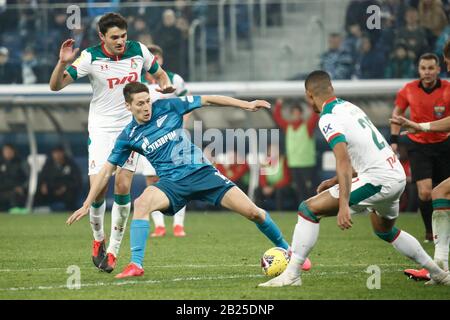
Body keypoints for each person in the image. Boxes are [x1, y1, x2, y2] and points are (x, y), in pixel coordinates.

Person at [66, 82, 312, 279]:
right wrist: (88, 203)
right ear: (128, 106)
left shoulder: (168, 107)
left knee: (254, 212)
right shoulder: (127, 136)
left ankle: (288, 250)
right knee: (141, 203)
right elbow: (107, 170)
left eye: (148, 101)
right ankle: (136, 264)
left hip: (203, 174)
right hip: (172, 183)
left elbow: (208, 99)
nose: (146, 107)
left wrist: (245, 105)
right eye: (140, 104)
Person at [258, 70, 450, 287]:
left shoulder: (328, 117)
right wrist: (335, 181)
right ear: (332, 88)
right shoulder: (350, 107)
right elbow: (366, 153)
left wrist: (343, 204)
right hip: (393, 173)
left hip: (379, 179)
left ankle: (291, 275)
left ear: (309, 95)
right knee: (385, 230)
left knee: (307, 209)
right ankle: (439, 274)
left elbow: (343, 161)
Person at [49, 12, 175, 273]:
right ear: (102, 37)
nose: (120, 41)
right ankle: (98, 240)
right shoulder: (91, 57)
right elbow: (56, 86)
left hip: (130, 127)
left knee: (123, 184)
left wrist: (165, 85)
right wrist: (62, 63)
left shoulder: (138, 50)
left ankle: (114, 251)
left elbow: (160, 74)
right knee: (98, 187)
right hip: (101, 127)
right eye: (114, 37)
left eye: (123, 36)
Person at [390, 40, 450, 281]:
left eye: (443, 64)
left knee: (440, 192)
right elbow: (396, 114)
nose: (445, 66)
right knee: (432, 193)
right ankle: (439, 263)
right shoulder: (408, 89)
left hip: (444, 145)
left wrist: (420, 125)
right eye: (423, 67)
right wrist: (395, 139)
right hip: (420, 146)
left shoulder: (447, 88)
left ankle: (439, 265)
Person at [140, 44, 190, 238]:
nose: (154, 61)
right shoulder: (138, 82)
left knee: (178, 179)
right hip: (149, 139)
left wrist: (181, 129)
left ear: (161, 60)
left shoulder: (175, 79)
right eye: (150, 58)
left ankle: (178, 225)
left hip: (173, 138)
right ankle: (159, 226)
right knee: (152, 181)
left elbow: (187, 104)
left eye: (157, 57)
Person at [273, 99, 319, 203]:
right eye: (294, 113)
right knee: (299, 189)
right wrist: (279, 104)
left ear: (301, 114)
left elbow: (315, 116)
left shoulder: (307, 126)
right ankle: (302, 209)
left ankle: (314, 208)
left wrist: (310, 103)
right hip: (293, 163)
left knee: (310, 189)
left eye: (297, 113)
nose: (296, 115)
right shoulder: (288, 126)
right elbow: (278, 118)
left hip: (307, 163)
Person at [35, 146, 82, 211]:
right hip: (51, 190)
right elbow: (42, 177)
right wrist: (43, 184)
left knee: (70, 194)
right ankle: (39, 209)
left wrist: (65, 187)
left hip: (65, 191)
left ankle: (69, 210)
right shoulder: (49, 164)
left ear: (63, 153)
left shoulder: (71, 164)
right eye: (55, 153)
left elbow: (77, 181)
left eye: (59, 153)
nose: (57, 155)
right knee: (38, 192)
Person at [0, 144, 27, 213]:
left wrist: (23, 187)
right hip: (3, 189)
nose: (7, 152)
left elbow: (29, 178)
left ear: (14, 151)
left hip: (16, 190)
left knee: (14, 195)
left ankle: (16, 211)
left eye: (9, 150)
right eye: (5, 150)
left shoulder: (21, 162)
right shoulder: (1, 163)